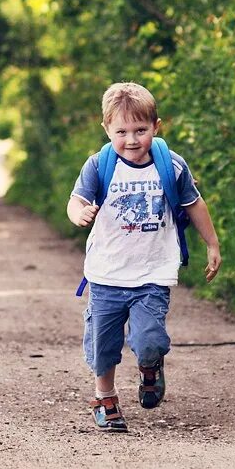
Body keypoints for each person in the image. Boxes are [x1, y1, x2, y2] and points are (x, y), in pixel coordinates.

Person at [67, 82, 221, 432]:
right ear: (106, 129)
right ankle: (105, 398)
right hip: (107, 274)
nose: (132, 140)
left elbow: (193, 204)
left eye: (141, 130)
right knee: (102, 345)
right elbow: (76, 199)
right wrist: (77, 213)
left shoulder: (172, 166)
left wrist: (212, 244)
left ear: (156, 126)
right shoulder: (99, 165)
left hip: (153, 272)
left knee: (149, 340)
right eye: (121, 131)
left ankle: (150, 367)